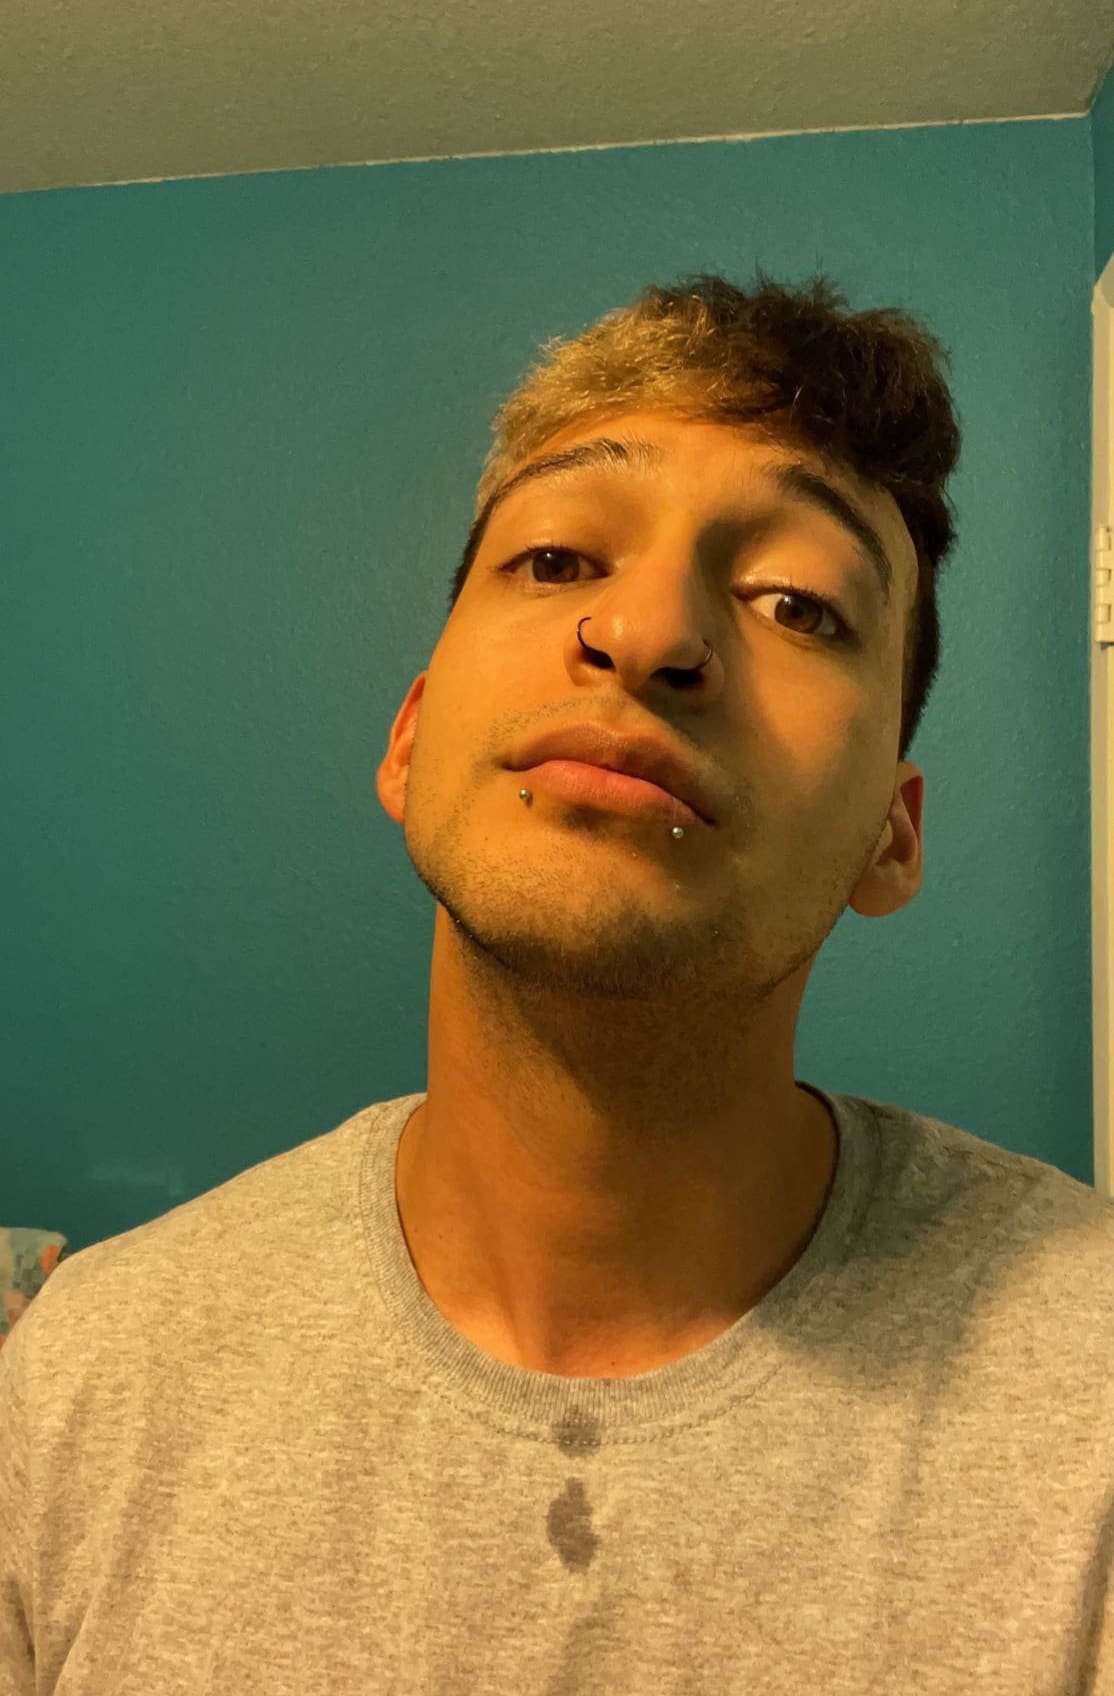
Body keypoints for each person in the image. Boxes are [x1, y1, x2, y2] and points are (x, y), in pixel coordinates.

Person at [2, 272, 1112, 1694]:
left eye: (797, 601)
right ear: (411, 741)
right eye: (557, 559)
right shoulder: (84, 1373)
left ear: (888, 838)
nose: (647, 635)